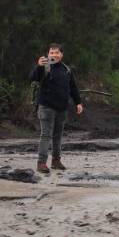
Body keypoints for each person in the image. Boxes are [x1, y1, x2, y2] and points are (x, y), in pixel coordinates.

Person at [29, 43, 83, 174]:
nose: (54, 55)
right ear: (48, 54)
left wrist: (78, 103)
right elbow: (32, 78)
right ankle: (41, 163)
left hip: (62, 108)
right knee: (45, 135)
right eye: (51, 53)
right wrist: (39, 66)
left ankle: (56, 161)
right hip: (46, 107)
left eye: (57, 52)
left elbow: (73, 88)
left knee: (58, 136)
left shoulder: (67, 70)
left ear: (61, 55)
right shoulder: (44, 67)